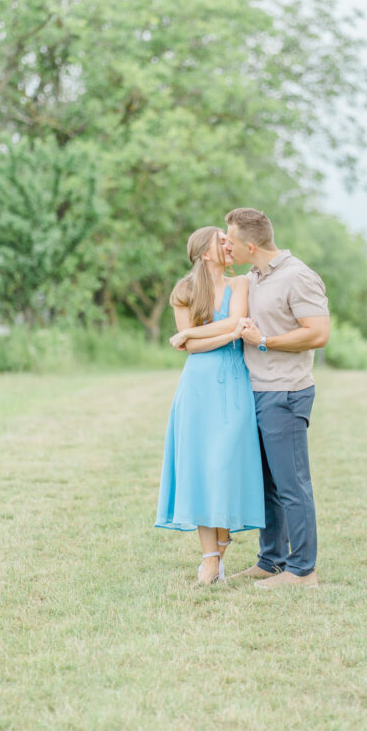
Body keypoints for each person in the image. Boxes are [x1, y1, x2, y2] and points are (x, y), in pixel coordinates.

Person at [223, 208, 330, 589]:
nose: (226, 244)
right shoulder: (252, 277)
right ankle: (271, 561)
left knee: (292, 484)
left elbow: (317, 333)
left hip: (286, 392)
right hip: (255, 391)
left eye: (230, 239)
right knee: (266, 484)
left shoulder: (298, 276)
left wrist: (264, 341)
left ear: (249, 245)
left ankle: (302, 571)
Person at [155, 226, 265, 585]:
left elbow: (234, 320)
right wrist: (221, 335)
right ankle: (210, 558)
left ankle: (222, 539)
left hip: (232, 381)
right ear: (204, 253)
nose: (227, 244)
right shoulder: (184, 291)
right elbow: (193, 348)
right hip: (198, 385)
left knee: (224, 462)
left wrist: (190, 331)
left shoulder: (240, 285)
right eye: (220, 241)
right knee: (201, 467)